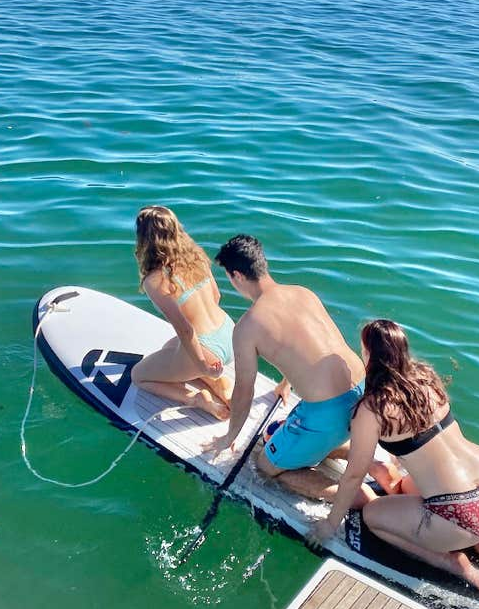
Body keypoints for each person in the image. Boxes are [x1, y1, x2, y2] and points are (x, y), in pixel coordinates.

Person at [308, 319, 479, 592]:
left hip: (460, 509)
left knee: (373, 516)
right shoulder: (426, 378)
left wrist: (329, 524)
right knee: (405, 486)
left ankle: (454, 563)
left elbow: (354, 475)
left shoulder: (373, 409)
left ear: (369, 355)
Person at [206, 234, 384, 503]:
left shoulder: (247, 327)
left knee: (265, 466)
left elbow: (244, 391)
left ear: (237, 276)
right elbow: (310, 346)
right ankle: (374, 464)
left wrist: (229, 436)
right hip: (363, 394)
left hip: (329, 415)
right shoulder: (303, 292)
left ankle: (356, 497)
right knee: (300, 433)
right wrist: (284, 384)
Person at [131, 206, 234, 420]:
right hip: (228, 332)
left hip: (207, 349)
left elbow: (185, 330)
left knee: (138, 375)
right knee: (168, 348)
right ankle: (219, 383)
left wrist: (203, 365)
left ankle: (196, 399)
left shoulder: (155, 280)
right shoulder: (195, 254)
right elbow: (216, 297)